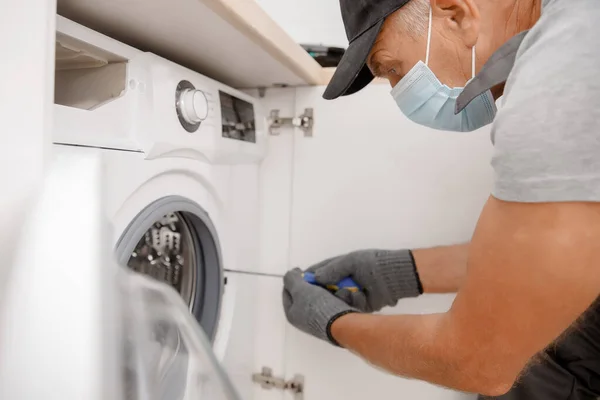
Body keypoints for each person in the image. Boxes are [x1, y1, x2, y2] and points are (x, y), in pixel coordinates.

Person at [281, 0, 600, 398]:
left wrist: (334, 323)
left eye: (391, 69)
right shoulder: (577, 29)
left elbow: (478, 360)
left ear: (456, 15)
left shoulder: (559, 77)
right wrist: (392, 271)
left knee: (532, 370)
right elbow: (547, 255)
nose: (397, 92)